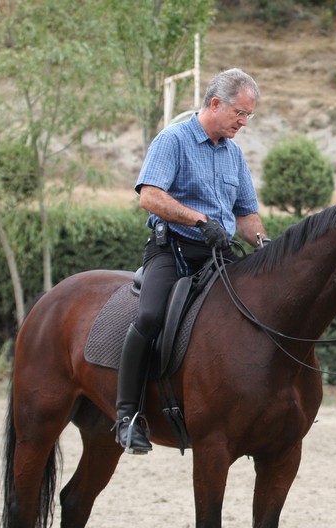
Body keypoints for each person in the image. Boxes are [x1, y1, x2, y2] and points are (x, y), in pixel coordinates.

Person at [114, 68, 269, 454]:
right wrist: (200, 220)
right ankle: (127, 416)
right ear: (215, 103)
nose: (244, 122)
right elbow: (150, 196)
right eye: (240, 113)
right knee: (149, 317)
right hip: (174, 250)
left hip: (219, 254)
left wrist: (267, 247)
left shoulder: (234, 154)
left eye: (249, 116)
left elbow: (248, 217)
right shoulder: (173, 140)